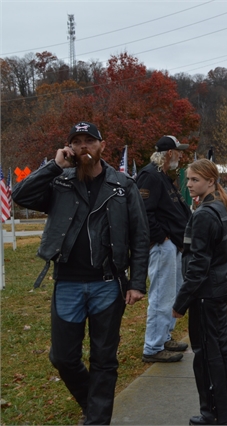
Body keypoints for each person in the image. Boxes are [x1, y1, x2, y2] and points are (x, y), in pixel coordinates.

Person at [12, 121, 149, 424]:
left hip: (107, 283)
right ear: (69, 148)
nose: (83, 147)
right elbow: (20, 195)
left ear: (102, 145)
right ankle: (95, 405)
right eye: (77, 142)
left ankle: (96, 419)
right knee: (62, 357)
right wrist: (52, 167)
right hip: (68, 283)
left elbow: (140, 236)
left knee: (104, 359)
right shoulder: (60, 182)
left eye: (90, 141)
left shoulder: (123, 186)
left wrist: (137, 283)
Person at [173, 159, 227, 426]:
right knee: (224, 349)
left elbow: (198, 265)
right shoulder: (218, 208)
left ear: (210, 181)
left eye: (195, 180)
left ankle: (214, 413)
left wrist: (180, 303)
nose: (189, 184)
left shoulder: (206, 214)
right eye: (188, 180)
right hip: (217, 290)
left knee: (207, 354)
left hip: (206, 293)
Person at [137, 135, 192, 363]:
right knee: (161, 296)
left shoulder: (162, 176)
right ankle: (153, 347)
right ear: (169, 152)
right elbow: (144, 212)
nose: (180, 155)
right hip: (162, 246)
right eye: (178, 151)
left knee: (173, 293)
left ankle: (164, 336)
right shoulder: (149, 175)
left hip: (174, 245)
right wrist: (163, 238)